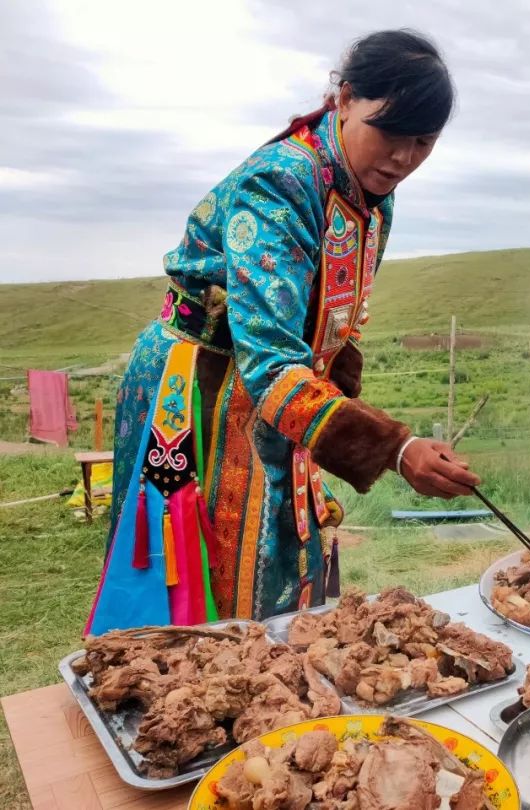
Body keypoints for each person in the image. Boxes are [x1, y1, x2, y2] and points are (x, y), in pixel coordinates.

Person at [86, 30, 478, 635]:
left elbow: (332, 316)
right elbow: (268, 359)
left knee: (279, 549)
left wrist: (341, 386)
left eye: (422, 142)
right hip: (198, 388)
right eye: (389, 132)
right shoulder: (280, 182)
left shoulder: (373, 196)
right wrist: (395, 448)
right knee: (206, 575)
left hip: (275, 384)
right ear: (345, 99)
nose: (402, 157)